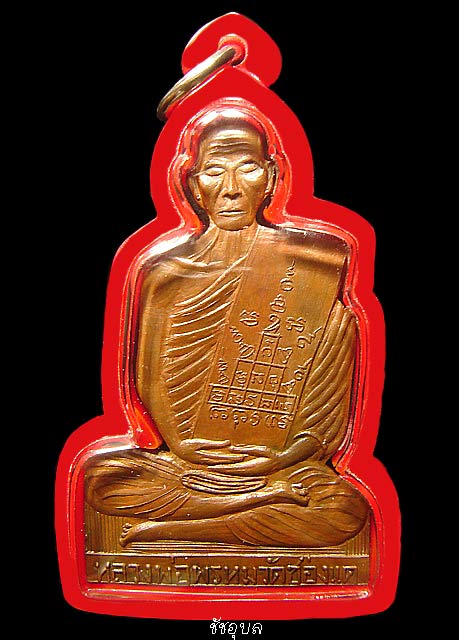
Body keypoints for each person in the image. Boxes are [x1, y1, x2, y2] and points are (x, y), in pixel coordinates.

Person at [85, 102, 369, 548]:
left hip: (280, 466)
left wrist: (275, 462)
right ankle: (250, 509)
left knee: (344, 508)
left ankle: (180, 528)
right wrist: (184, 448)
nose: (231, 189)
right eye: (215, 171)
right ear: (193, 185)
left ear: (271, 178)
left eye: (247, 169)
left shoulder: (316, 263)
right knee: (103, 477)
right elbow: (147, 383)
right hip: (188, 464)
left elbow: (327, 414)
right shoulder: (165, 273)